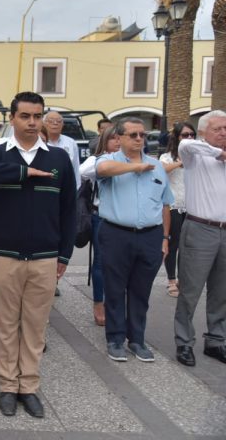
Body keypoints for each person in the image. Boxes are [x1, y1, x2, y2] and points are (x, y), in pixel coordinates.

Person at [0, 92, 76, 419]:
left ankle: (29, 386)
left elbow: (69, 211)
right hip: (3, 255)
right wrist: (24, 173)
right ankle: (7, 386)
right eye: (25, 116)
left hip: (44, 255)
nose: (31, 122)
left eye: (37, 116)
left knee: (36, 325)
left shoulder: (57, 159)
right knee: (5, 323)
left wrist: (64, 255)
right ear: (12, 118)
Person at [96, 117, 173, 364]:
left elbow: (165, 204)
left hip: (150, 235)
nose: (139, 139)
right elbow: (102, 171)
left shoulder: (157, 165)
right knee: (115, 288)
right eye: (133, 135)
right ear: (118, 138)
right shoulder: (109, 160)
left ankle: (137, 339)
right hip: (116, 233)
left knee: (141, 291)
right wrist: (135, 167)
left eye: (142, 134)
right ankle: (115, 339)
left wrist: (164, 238)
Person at [173, 110, 226, 367]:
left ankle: (216, 339)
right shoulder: (194, 155)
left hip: (225, 231)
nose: (224, 133)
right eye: (218, 129)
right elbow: (184, 142)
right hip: (199, 229)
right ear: (203, 132)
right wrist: (218, 152)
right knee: (190, 291)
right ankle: (184, 342)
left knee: (221, 291)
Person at [79, 126, 120, 326]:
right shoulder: (97, 160)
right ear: (105, 141)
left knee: (122, 264)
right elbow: (83, 172)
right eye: (113, 138)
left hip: (126, 221)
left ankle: (117, 304)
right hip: (101, 217)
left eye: (121, 137)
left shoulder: (137, 160)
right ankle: (98, 303)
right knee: (101, 263)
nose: (118, 142)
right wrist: (107, 160)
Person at [159, 122, 196, 298]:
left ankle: (183, 279)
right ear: (177, 138)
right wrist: (177, 163)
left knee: (188, 246)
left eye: (192, 135)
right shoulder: (167, 157)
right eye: (185, 135)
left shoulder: (196, 156)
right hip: (173, 205)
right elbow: (161, 171)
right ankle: (171, 280)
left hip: (192, 207)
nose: (189, 138)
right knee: (173, 244)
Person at [43, 111, 80, 189]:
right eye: (51, 121)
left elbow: (76, 168)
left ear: (63, 124)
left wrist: (76, 188)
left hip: (66, 187)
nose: (55, 123)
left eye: (59, 121)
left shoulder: (71, 142)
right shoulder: (38, 141)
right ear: (44, 123)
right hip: (44, 186)